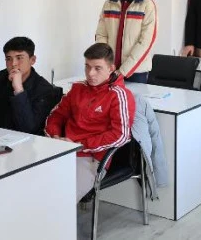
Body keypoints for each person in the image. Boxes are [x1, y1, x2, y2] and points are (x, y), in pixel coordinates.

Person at [45, 43, 136, 203]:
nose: (90, 73)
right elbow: (56, 115)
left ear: (111, 68)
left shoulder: (119, 95)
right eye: (87, 66)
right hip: (63, 149)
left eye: (97, 68)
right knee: (32, 187)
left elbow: (121, 135)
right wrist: (55, 137)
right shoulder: (77, 88)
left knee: (60, 200)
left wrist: (80, 145)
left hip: (92, 158)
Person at [95, 0, 157, 83]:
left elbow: (145, 42)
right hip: (111, 69)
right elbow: (101, 35)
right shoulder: (109, 3)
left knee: (134, 97)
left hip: (136, 72)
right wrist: (106, 63)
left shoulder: (147, 5)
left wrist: (123, 71)